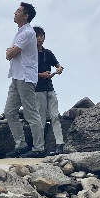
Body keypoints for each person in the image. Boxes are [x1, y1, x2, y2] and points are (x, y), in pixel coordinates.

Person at [4, 2, 45, 158]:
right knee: (9, 111)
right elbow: (10, 52)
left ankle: (39, 148)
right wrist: (11, 51)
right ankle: (21, 144)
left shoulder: (28, 33)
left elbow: (9, 54)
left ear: (25, 16)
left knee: (31, 113)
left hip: (26, 77)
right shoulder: (20, 32)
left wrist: (10, 51)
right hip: (16, 76)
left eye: (18, 11)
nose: (15, 13)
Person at [33, 26, 65, 154]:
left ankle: (60, 145)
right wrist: (42, 75)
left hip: (50, 89)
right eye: (37, 36)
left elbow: (59, 65)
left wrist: (59, 69)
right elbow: (26, 73)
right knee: (40, 118)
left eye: (42, 36)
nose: (40, 38)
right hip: (37, 90)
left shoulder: (48, 53)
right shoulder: (29, 55)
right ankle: (40, 147)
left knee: (55, 116)